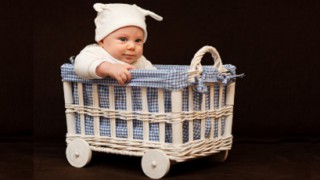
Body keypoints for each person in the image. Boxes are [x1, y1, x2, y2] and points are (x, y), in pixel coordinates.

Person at [74, 3, 163, 85]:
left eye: (138, 40)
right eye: (123, 39)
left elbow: (155, 77)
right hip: (98, 101)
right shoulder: (95, 52)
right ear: (101, 40)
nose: (132, 46)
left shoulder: (140, 61)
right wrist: (108, 68)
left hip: (135, 102)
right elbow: (79, 66)